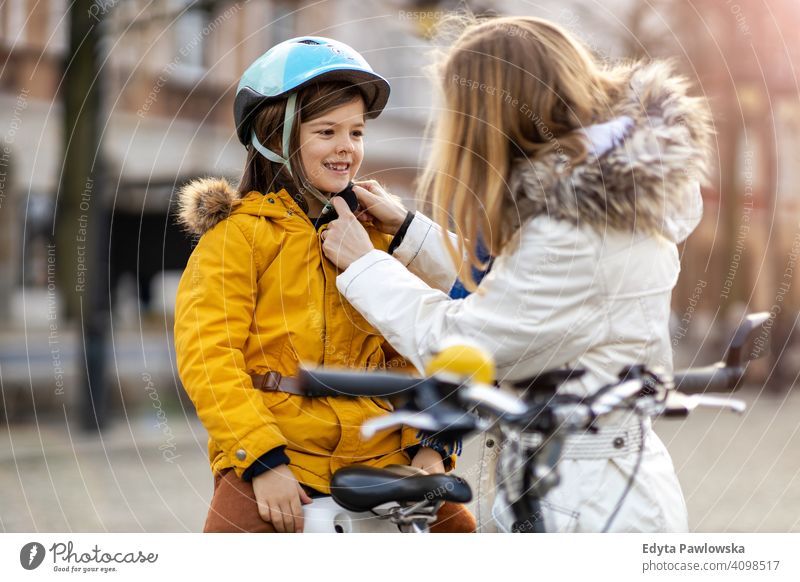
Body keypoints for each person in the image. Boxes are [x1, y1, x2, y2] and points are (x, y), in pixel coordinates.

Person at [320, 16, 712, 532]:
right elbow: (519, 290)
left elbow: (463, 342)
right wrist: (408, 232)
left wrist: (365, 265)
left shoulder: (575, 233)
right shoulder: (592, 206)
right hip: (587, 480)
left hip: (587, 504)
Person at [173, 36, 475, 533]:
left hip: (383, 452)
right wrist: (262, 462)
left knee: (462, 535)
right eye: (327, 131)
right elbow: (209, 360)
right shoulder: (237, 239)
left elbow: (426, 343)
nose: (347, 147)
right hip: (282, 454)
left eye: (356, 132)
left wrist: (432, 447)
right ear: (277, 135)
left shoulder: (377, 236)